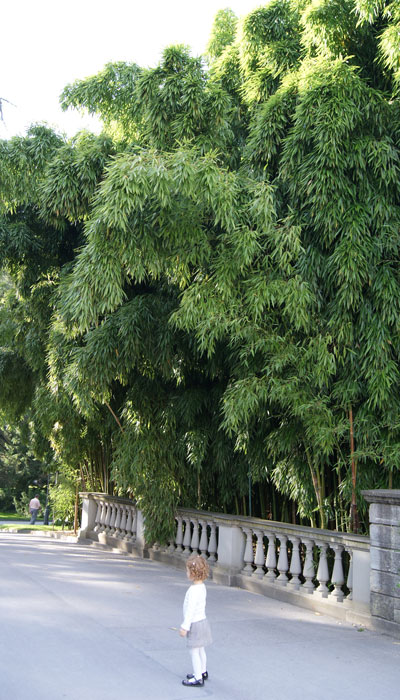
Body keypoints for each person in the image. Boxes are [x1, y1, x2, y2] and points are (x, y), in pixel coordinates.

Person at [179, 554, 212, 687]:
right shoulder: (202, 587)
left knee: (194, 651)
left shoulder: (193, 591)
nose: (187, 573)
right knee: (201, 649)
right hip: (203, 622)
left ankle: (197, 677)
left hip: (194, 624)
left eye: (188, 571)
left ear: (193, 573)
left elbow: (190, 611)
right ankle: (203, 671)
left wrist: (185, 626)